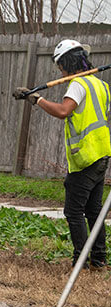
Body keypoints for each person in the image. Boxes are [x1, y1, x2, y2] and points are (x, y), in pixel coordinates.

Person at [17, 40, 109, 269]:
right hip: (102, 154)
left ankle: (81, 262)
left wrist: (37, 99)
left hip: (85, 157)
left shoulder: (78, 84)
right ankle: (99, 259)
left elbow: (63, 111)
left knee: (74, 211)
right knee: (94, 210)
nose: (60, 71)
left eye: (60, 66)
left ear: (67, 63)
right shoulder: (100, 85)